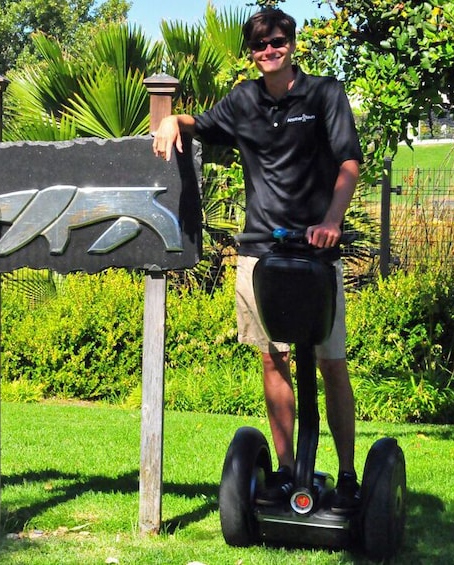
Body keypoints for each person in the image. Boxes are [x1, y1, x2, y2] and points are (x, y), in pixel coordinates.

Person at [152, 8, 363, 512]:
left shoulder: (324, 95)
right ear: (251, 51)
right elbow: (199, 124)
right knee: (273, 358)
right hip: (260, 254)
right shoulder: (244, 100)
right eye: (261, 44)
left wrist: (331, 222)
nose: (271, 50)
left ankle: (351, 475)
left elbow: (349, 164)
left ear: (292, 43)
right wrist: (169, 123)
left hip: (317, 253)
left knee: (332, 364)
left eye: (279, 41)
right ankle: (289, 471)